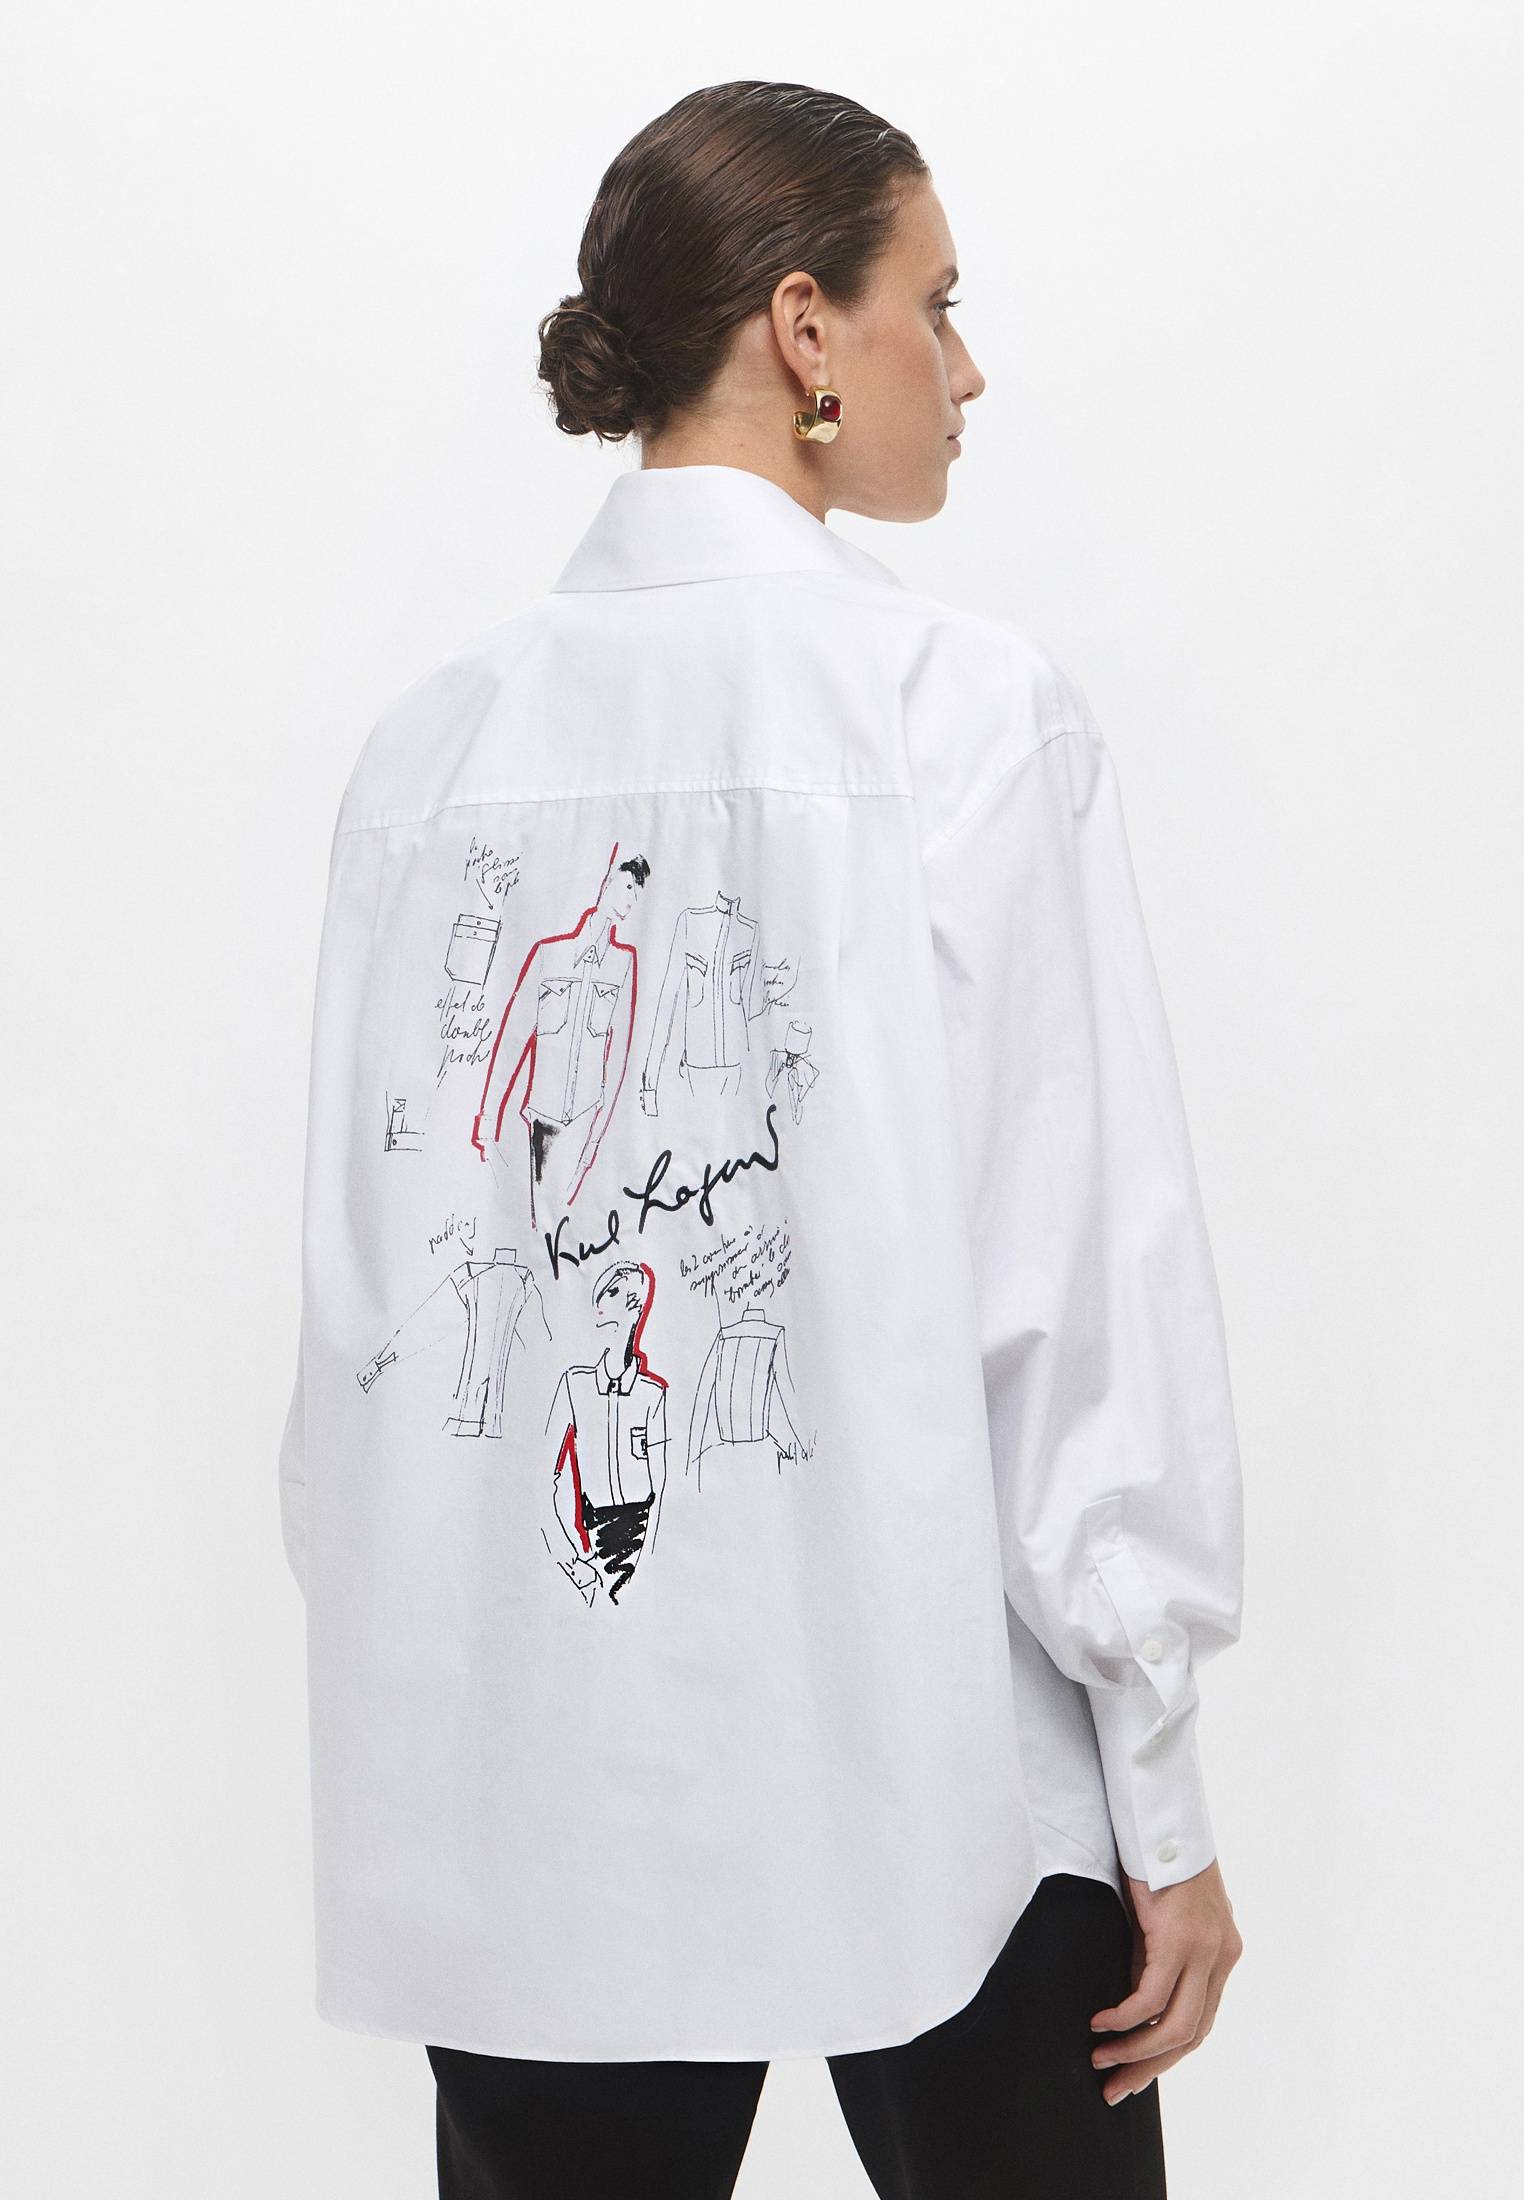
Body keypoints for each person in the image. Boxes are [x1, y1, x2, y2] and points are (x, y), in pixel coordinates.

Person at [278, 77, 1246, 2200]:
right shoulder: (957, 717)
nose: (966, 368)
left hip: (524, 1772)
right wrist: (1161, 1788)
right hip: (952, 1764)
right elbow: (1067, 1298)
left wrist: (424, 1680)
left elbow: (361, 1336)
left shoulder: (433, 750)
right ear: (807, 327)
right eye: (938, 302)